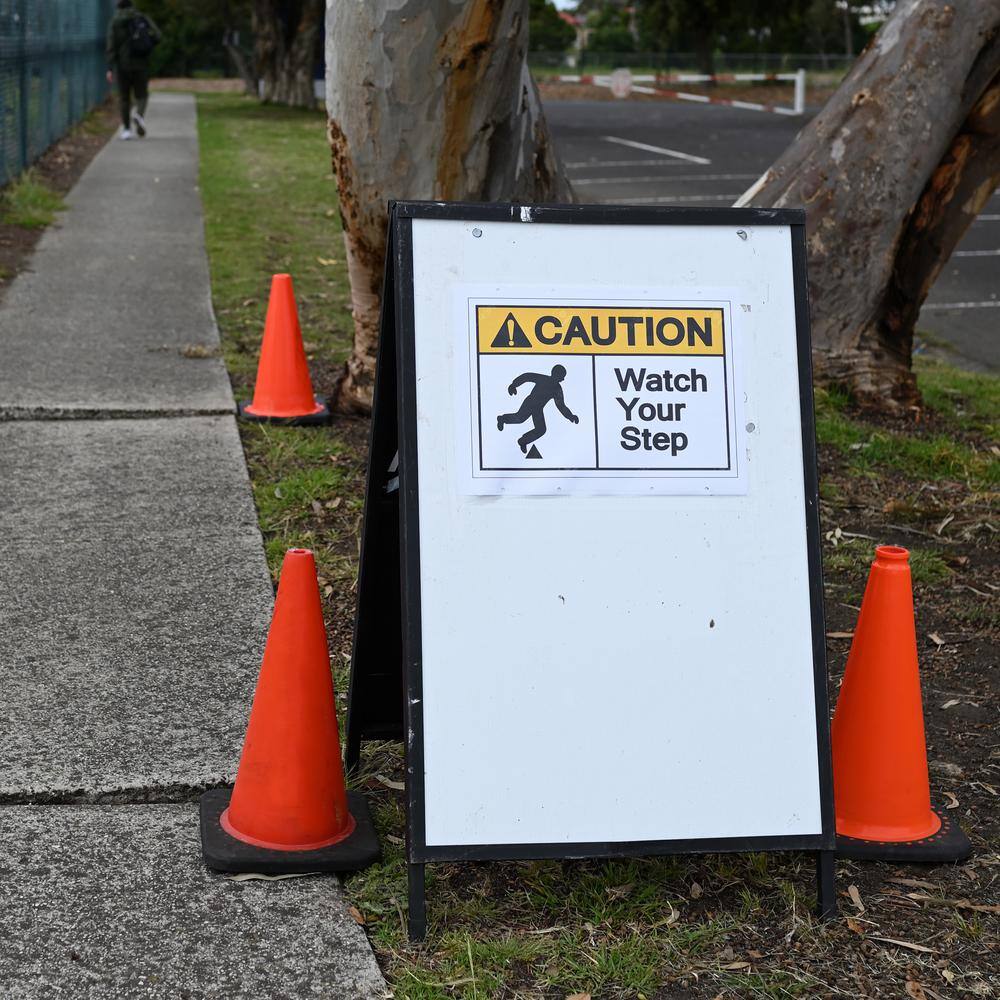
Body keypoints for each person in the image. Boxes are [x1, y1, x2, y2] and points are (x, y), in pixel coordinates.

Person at [106, 0, 160, 141]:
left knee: (124, 98)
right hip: (141, 63)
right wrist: (147, 46)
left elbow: (111, 45)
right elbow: (157, 35)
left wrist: (110, 67)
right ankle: (139, 115)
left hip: (122, 65)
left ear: (118, 6)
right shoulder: (141, 17)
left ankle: (126, 129)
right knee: (142, 94)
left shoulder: (115, 21)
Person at [497, 364, 580, 454]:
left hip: (538, 409)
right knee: (520, 418)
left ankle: (523, 441)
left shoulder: (557, 389)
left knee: (541, 429)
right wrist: (514, 385)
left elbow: (561, 406)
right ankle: (502, 419)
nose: (563, 379)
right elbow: (527, 376)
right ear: (555, 374)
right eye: (562, 377)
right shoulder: (543, 379)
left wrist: (570, 416)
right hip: (530, 403)